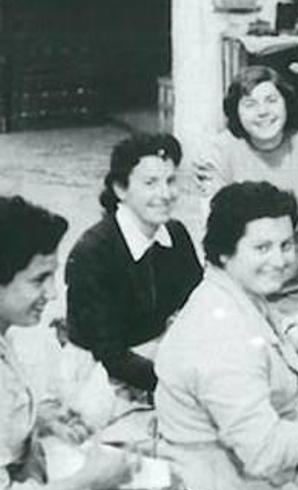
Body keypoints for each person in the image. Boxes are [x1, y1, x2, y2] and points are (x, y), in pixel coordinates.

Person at [154, 181, 298, 490]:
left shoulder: (233, 293)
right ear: (225, 252)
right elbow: (265, 457)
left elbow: (253, 371)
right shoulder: (223, 333)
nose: (280, 261)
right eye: (262, 248)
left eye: (287, 245)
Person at [0, 195, 133, 490]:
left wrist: (35, 423)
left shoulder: (7, 338)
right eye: (39, 280)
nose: (53, 293)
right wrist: (90, 479)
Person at [65, 134, 203, 394]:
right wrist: (180, 386)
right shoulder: (92, 253)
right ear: (120, 189)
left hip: (161, 360)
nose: (165, 194)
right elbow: (111, 355)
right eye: (150, 183)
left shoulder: (175, 234)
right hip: (102, 376)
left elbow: (197, 307)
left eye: (171, 181)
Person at [192, 65, 298, 302]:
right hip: (243, 287)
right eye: (250, 104)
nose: (263, 112)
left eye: (271, 100)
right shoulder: (221, 150)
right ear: (236, 112)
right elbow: (213, 232)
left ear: (286, 103)